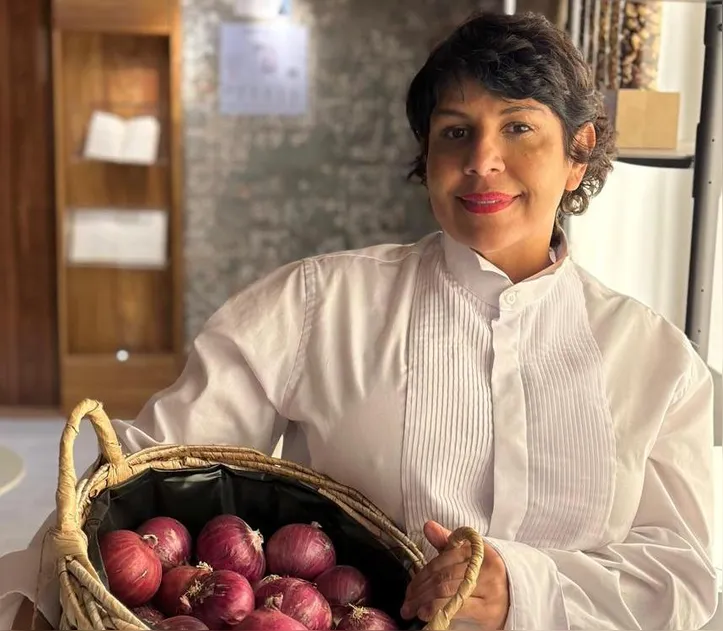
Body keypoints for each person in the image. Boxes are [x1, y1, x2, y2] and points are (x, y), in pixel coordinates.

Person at [2, 10, 718, 631]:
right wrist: (43, 592)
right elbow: (143, 471)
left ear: (579, 152)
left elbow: (686, 580)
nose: (482, 161)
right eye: (454, 131)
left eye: (520, 127)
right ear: (425, 156)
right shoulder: (320, 302)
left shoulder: (655, 361)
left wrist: (519, 588)